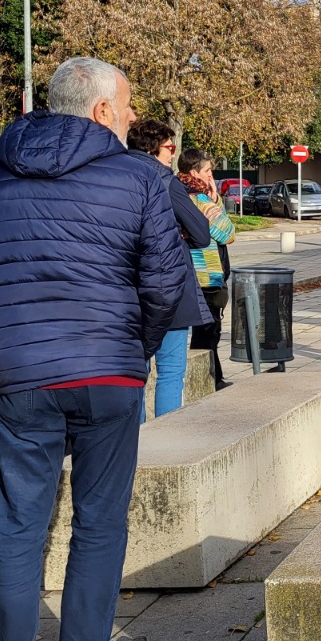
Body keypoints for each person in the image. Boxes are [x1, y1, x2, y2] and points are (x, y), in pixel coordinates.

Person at [0, 56, 185, 641]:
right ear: (101, 110)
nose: (131, 117)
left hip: (25, 375)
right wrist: (139, 348)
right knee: (100, 519)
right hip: (110, 373)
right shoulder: (139, 177)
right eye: (126, 107)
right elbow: (165, 280)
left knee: (18, 520)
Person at [126, 120, 213, 418]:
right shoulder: (165, 181)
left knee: (135, 374)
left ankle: (132, 442)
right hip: (169, 287)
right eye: (170, 147)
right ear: (153, 147)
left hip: (126, 290)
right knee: (171, 371)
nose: (172, 154)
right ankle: (165, 441)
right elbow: (202, 233)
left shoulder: (114, 174)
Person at [178, 147, 236, 389]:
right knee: (208, 330)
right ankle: (209, 381)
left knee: (203, 330)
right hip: (206, 275)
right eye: (208, 170)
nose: (212, 175)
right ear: (195, 172)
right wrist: (215, 202)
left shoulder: (178, 192)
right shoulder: (199, 198)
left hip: (189, 272)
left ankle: (215, 376)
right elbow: (227, 233)